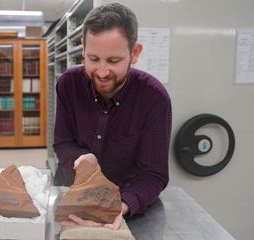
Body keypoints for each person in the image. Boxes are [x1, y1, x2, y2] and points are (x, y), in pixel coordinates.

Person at [53, 3, 172, 230]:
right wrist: (81, 159)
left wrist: (122, 205)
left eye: (113, 61)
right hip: (71, 193)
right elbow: (62, 143)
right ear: (83, 49)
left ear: (134, 53)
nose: (102, 71)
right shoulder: (68, 84)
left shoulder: (154, 99)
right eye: (93, 58)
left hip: (123, 206)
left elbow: (153, 174)